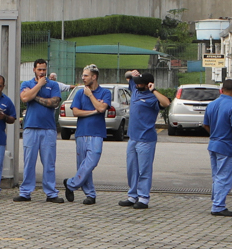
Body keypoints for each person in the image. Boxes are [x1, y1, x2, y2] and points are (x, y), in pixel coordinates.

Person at [63, 66, 113, 206]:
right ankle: (90, 194)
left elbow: (102, 108)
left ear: (94, 77)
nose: (83, 78)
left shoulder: (105, 92)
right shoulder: (79, 93)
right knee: (83, 165)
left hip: (97, 133)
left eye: (86, 75)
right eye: (83, 75)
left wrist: (91, 95)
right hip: (81, 133)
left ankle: (71, 184)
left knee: (91, 162)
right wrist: (93, 111)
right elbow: (76, 112)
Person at [15, 60, 63, 201]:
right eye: (39, 69)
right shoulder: (26, 84)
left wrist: (33, 96)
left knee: (49, 162)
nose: (42, 72)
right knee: (29, 161)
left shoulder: (53, 85)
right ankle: (25, 192)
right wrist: (39, 85)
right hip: (30, 128)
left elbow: (54, 102)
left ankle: (51, 193)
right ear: (34, 70)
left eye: (44, 69)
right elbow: (24, 98)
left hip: (48, 129)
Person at [203, 79, 232, 216]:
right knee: (224, 177)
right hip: (226, 146)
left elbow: (205, 124)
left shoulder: (211, 105)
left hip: (213, 144)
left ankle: (216, 200)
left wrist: (214, 134)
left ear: (221, 90)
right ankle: (218, 206)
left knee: (216, 175)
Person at [120, 70, 161, 209]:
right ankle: (132, 195)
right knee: (132, 169)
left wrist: (154, 90)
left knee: (144, 170)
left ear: (148, 84)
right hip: (133, 138)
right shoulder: (136, 90)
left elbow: (166, 103)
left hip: (146, 139)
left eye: (140, 83)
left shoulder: (153, 98)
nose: (137, 85)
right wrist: (131, 73)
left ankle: (143, 198)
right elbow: (127, 76)